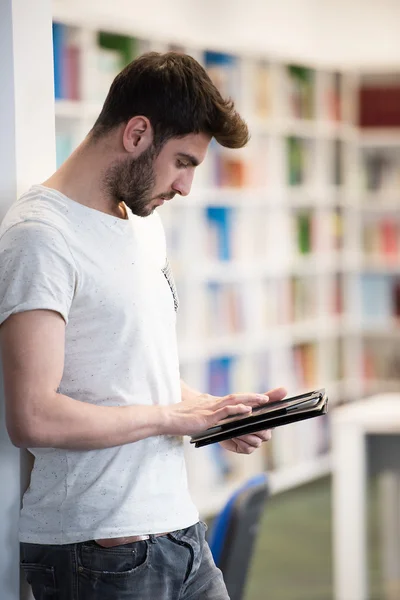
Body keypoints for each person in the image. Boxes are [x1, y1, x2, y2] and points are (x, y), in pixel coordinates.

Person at [0, 51, 287, 600]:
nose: (185, 187)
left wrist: (211, 413)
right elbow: (32, 415)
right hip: (99, 550)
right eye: (182, 161)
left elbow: (133, 376)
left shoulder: (142, 226)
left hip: (179, 531)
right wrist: (171, 417)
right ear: (137, 133)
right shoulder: (41, 235)